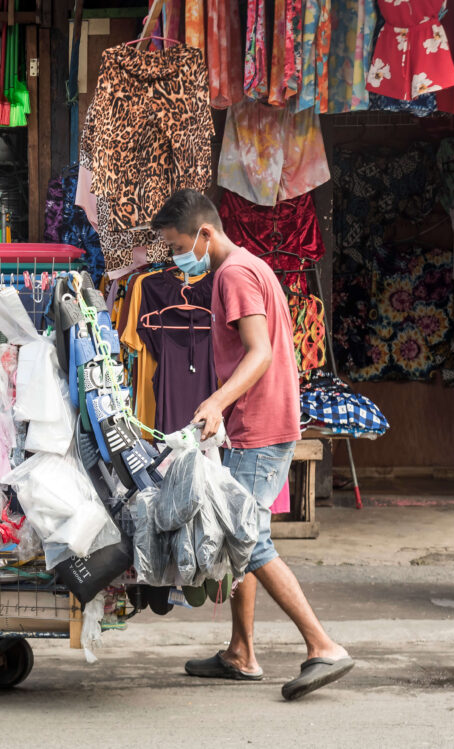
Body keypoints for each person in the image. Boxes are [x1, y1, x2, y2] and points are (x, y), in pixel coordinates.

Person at [151, 188, 354, 701]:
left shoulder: (234, 274)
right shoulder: (245, 266)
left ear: (204, 235)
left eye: (177, 247)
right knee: (240, 534)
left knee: (249, 540)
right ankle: (241, 653)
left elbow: (259, 352)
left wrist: (217, 402)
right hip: (262, 422)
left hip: (259, 426)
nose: (177, 260)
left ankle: (323, 645)